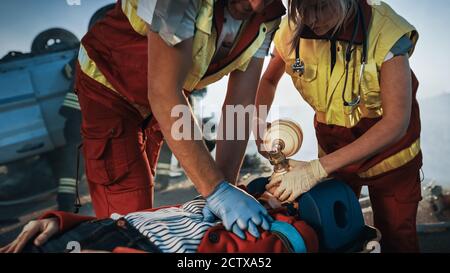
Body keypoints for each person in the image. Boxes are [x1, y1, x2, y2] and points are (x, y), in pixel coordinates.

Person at [75, 0, 286, 239]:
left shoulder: (269, 15)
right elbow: (163, 92)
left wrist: (225, 187)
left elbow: (240, 105)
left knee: (149, 209)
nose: (262, 4)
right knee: (131, 218)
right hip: (109, 89)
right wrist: (216, 190)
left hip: (160, 101)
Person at [254, 0, 422, 252]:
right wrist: (258, 129)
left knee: (397, 236)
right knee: (332, 232)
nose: (311, 18)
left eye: (320, 6)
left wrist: (315, 171)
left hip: (391, 158)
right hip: (334, 151)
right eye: (302, 7)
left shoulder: (387, 33)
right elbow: (267, 81)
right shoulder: (292, 31)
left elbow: (395, 123)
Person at [0, 186, 318, 254]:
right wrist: (63, 221)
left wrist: (283, 215)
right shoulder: (222, 200)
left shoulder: (289, 233)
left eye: (288, 194)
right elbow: (142, 216)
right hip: (94, 233)